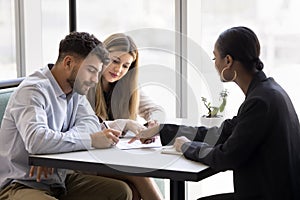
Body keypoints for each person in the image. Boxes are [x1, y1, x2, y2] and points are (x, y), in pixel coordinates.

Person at [131, 26, 300, 200]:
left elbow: (226, 157)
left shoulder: (260, 101)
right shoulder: (267, 92)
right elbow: (221, 133)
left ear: (228, 61)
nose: (214, 65)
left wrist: (186, 146)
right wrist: (162, 130)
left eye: (214, 57)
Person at [0, 32, 134, 200]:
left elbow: (91, 123)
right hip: (19, 183)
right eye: (91, 70)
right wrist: (91, 140)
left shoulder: (76, 90)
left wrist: (51, 152)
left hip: (58, 180)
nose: (94, 80)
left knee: (121, 191)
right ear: (68, 62)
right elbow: (37, 140)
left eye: (97, 73)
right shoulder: (33, 90)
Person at [87, 33, 164, 200]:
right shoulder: (87, 83)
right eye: (115, 61)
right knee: (140, 176)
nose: (118, 70)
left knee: (133, 192)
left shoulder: (127, 85)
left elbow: (155, 108)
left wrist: (153, 123)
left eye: (125, 66)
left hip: (114, 158)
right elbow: (89, 128)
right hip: (87, 161)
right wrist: (126, 123)